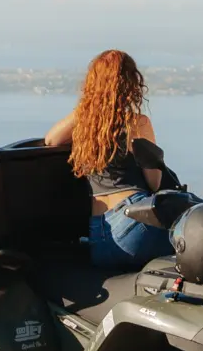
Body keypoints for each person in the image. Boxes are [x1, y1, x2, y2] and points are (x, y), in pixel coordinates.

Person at [44, 50, 172, 268]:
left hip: (101, 237)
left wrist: (91, 105)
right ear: (131, 83)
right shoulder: (137, 123)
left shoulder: (85, 127)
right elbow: (154, 183)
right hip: (134, 222)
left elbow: (51, 140)